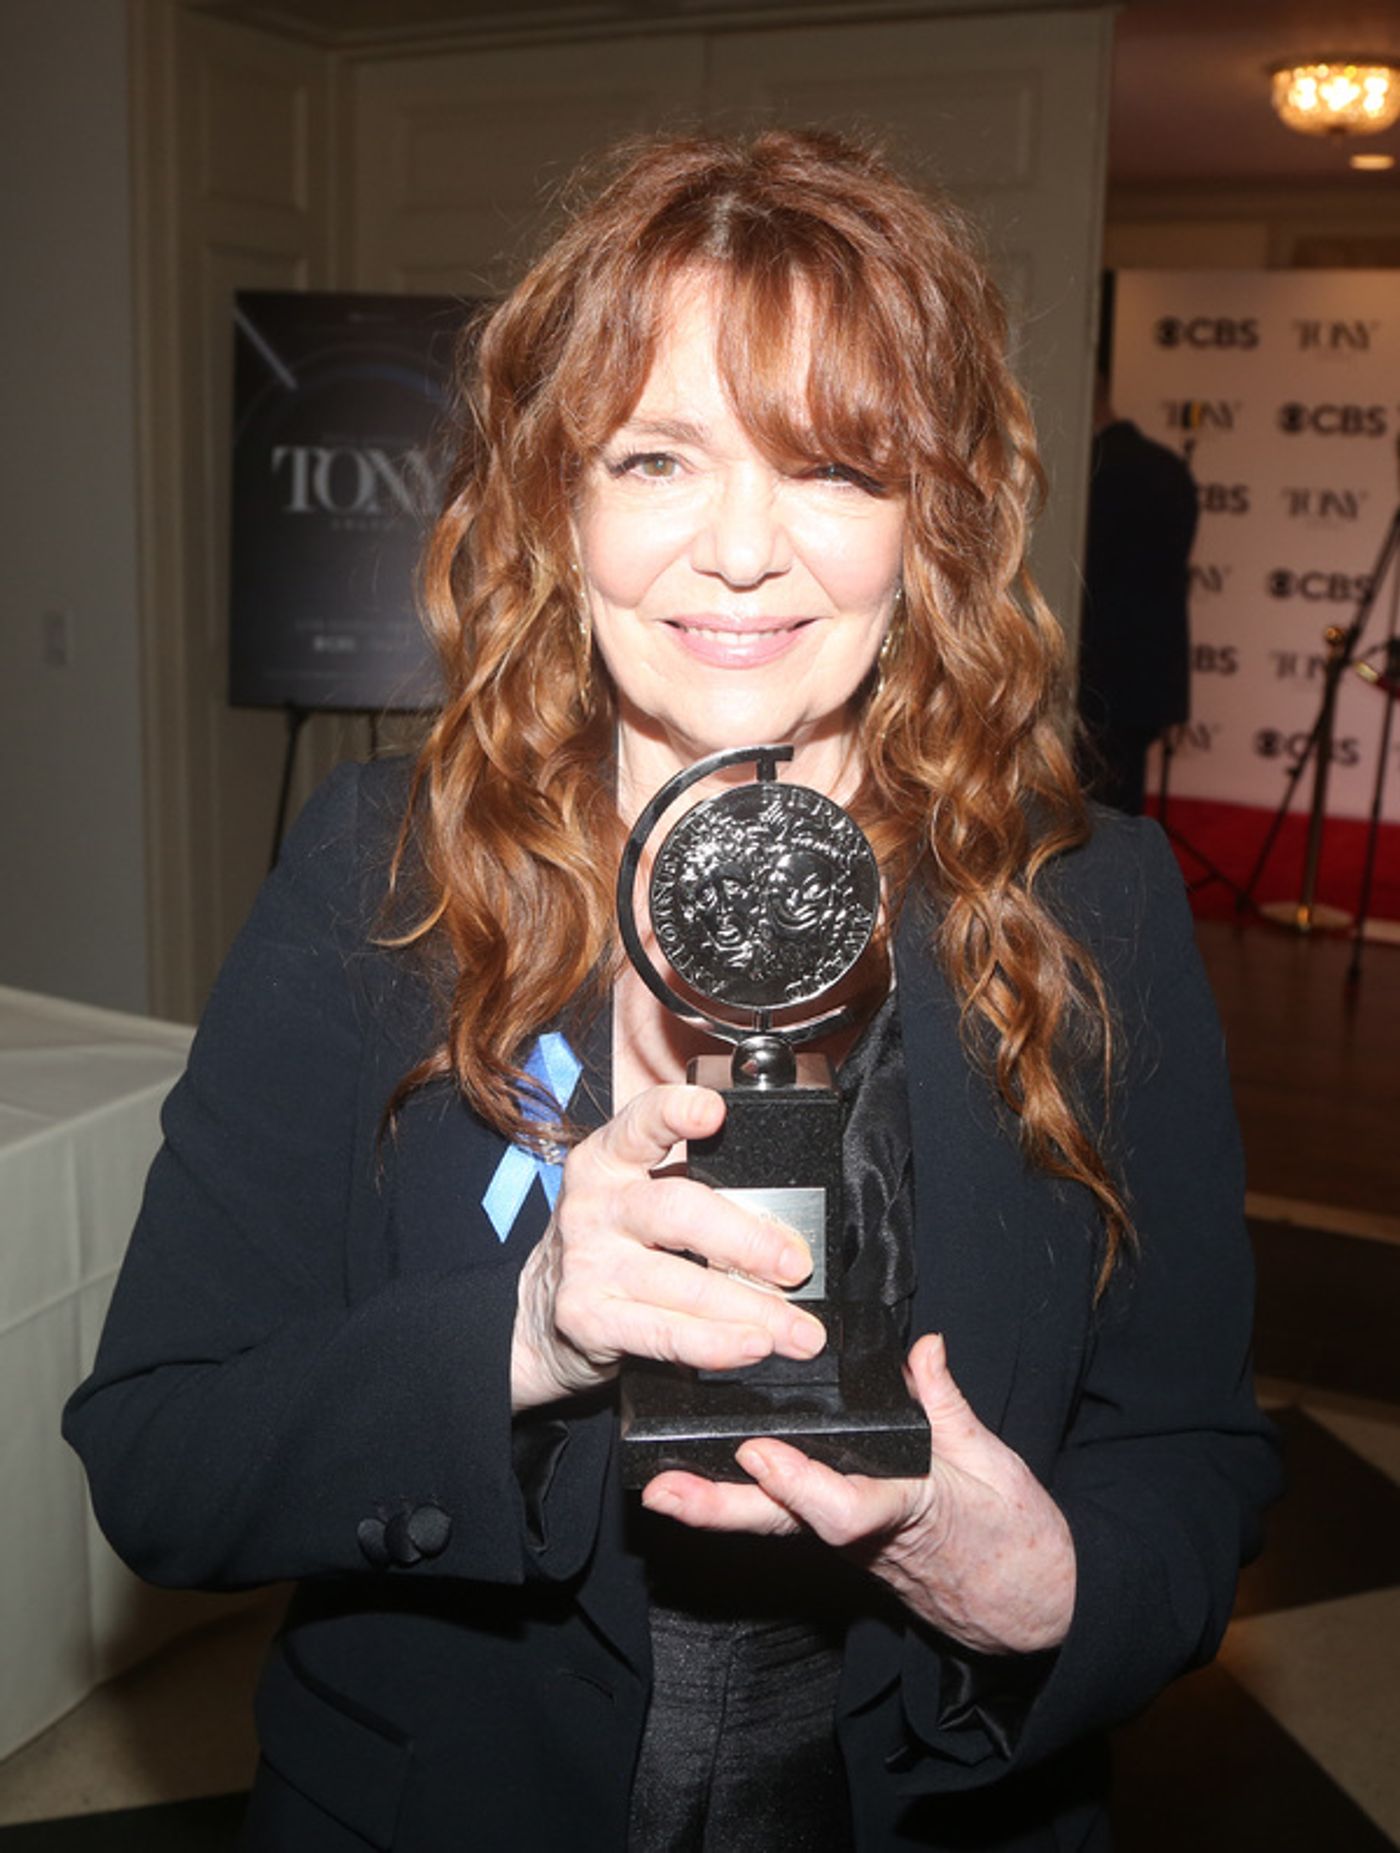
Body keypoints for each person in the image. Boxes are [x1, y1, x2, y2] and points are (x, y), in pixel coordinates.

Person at [65, 129, 1278, 1852]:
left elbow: (1199, 1449)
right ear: (559, 499)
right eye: (656, 456)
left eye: (832, 469)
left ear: (932, 514)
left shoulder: (1097, 904)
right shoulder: (380, 876)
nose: (739, 554)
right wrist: (525, 1333)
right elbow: (159, 1452)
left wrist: (1046, 1584)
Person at [1077, 371, 1199, 814]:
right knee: (1122, 808)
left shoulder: (1089, 472)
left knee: (1092, 813)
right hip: (1151, 679)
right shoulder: (1169, 467)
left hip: (1094, 677)